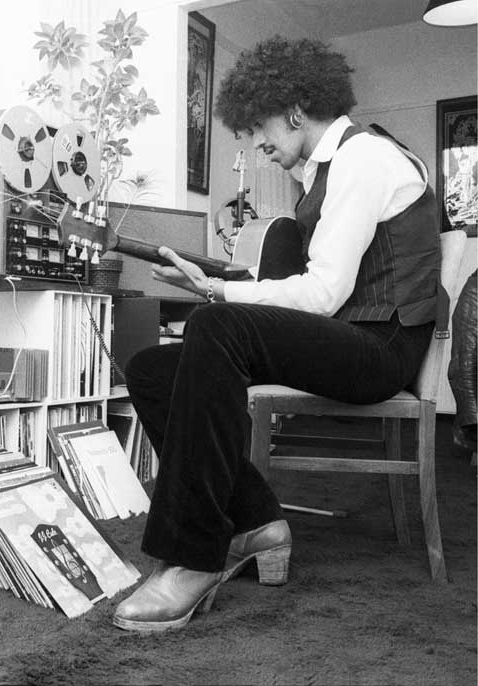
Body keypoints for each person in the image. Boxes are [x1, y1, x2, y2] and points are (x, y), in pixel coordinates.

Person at [112, 36, 442, 633]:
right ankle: (258, 521)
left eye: (260, 126)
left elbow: (321, 295)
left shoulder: (364, 158)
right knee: (150, 368)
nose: (258, 144)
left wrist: (215, 293)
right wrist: (209, 280)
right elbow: (306, 293)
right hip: (348, 335)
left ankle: (193, 555)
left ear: (295, 109)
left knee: (215, 325)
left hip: (381, 349)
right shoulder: (326, 174)